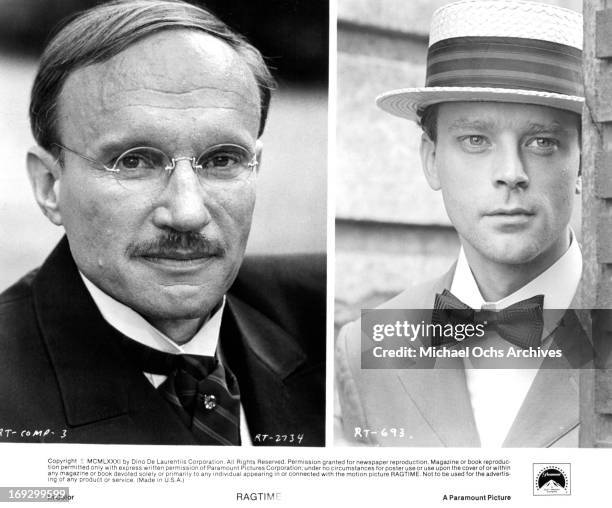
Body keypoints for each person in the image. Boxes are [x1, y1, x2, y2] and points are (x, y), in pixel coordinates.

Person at [0, 0, 325, 446]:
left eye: (223, 159)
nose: (188, 213)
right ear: (48, 185)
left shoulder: (329, 317)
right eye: (133, 162)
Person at [336, 0, 590, 447]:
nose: (511, 172)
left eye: (543, 141)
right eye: (476, 139)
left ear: (584, 159)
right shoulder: (367, 347)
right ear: (432, 160)